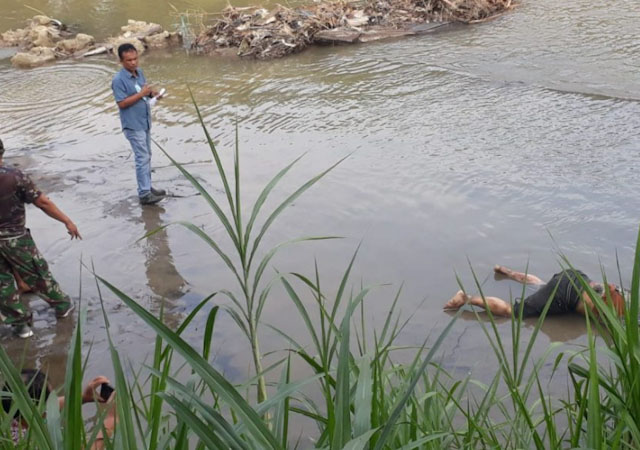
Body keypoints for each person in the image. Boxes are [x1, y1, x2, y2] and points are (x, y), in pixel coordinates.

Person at [0, 138, 79, 338]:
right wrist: (67, 221)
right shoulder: (15, 177)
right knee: (38, 272)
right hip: (15, 238)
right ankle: (62, 306)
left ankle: (21, 325)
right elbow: (42, 202)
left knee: (2, 283)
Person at [444, 265, 626, 318]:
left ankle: (508, 273)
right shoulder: (627, 317)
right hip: (564, 295)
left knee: (543, 287)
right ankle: (466, 298)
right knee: (513, 312)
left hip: (574, 276)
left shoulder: (630, 299)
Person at [1, 369, 117, 448]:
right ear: (39, 410)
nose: (55, 400)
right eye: (51, 397)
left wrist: (84, 397)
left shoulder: (11, 416)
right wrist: (111, 420)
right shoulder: (31, 444)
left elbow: (50, 406)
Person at [111, 43, 166, 205]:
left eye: (135, 59)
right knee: (142, 157)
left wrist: (152, 94)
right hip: (133, 124)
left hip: (144, 121)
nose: (133, 63)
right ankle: (144, 194)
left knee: (147, 155)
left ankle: (147, 187)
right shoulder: (118, 80)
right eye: (129, 60)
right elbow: (121, 103)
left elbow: (144, 91)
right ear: (121, 61)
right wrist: (141, 94)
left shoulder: (139, 73)